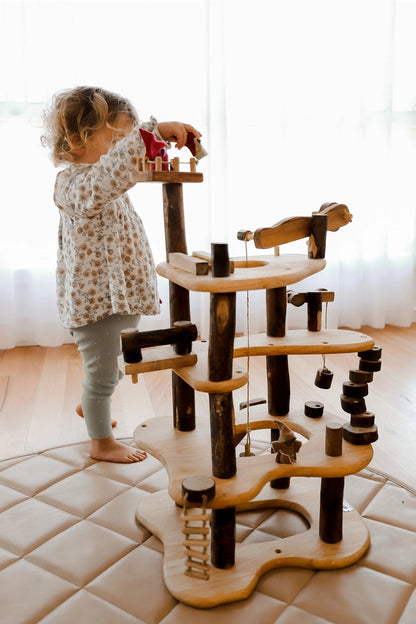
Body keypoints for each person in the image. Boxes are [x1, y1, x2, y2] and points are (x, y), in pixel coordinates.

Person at [41, 86, 201, 463]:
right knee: (103, 375)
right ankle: (101, 443)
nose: (124, 148)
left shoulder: (102, 186)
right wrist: (153, 132)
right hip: (98, 304)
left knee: (108, 368)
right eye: (117, 139)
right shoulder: (76, 185)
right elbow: (111, 174)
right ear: (80, 139)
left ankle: (91, 406)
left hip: (117, 297)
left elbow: (116, 175)